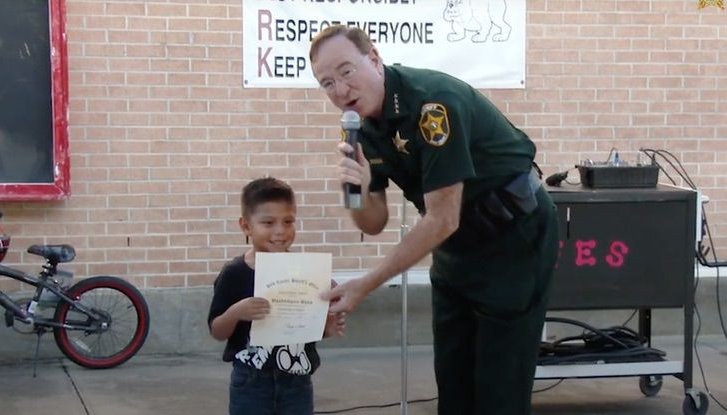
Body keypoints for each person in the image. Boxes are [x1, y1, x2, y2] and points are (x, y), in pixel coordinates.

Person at [310, 25, 559, 415]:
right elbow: (373, 222)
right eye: (326, 83)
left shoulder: (432, 103)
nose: (340, 89)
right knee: (454, 383)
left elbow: (442, 218)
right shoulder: (359, 128)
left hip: (514, 237)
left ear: (374, 59)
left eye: (346, 71)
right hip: (455, 248)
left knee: (499, 390)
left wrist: (366, 284)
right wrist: (357, 190)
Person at [208, 177, 346, 415]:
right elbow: (217, 331)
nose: (280, 231)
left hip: (298, 382)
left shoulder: (307, 272)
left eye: (288, 221)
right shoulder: (235, 273)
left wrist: (328, 323)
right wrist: (236, 312)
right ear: (246, 226)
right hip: (250, 382)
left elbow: (312, 328)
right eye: (268, 222)